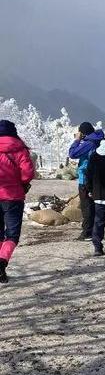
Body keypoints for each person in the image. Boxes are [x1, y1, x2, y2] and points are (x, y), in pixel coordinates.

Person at [0, 119, 35, 283]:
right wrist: (21, 182)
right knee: (12, 235)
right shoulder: (20, 149)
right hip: (13, 197)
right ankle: (2, 263)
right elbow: (28, 173)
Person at [68, 121, 105, 241]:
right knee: (95, 206)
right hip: (97, 177)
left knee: (87, 206)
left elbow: (72, 154)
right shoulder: (98, 140)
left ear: (83, 133)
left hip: (85, 178)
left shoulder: (89, 143)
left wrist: (77, 140)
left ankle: (87, 232)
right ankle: (97, 231)